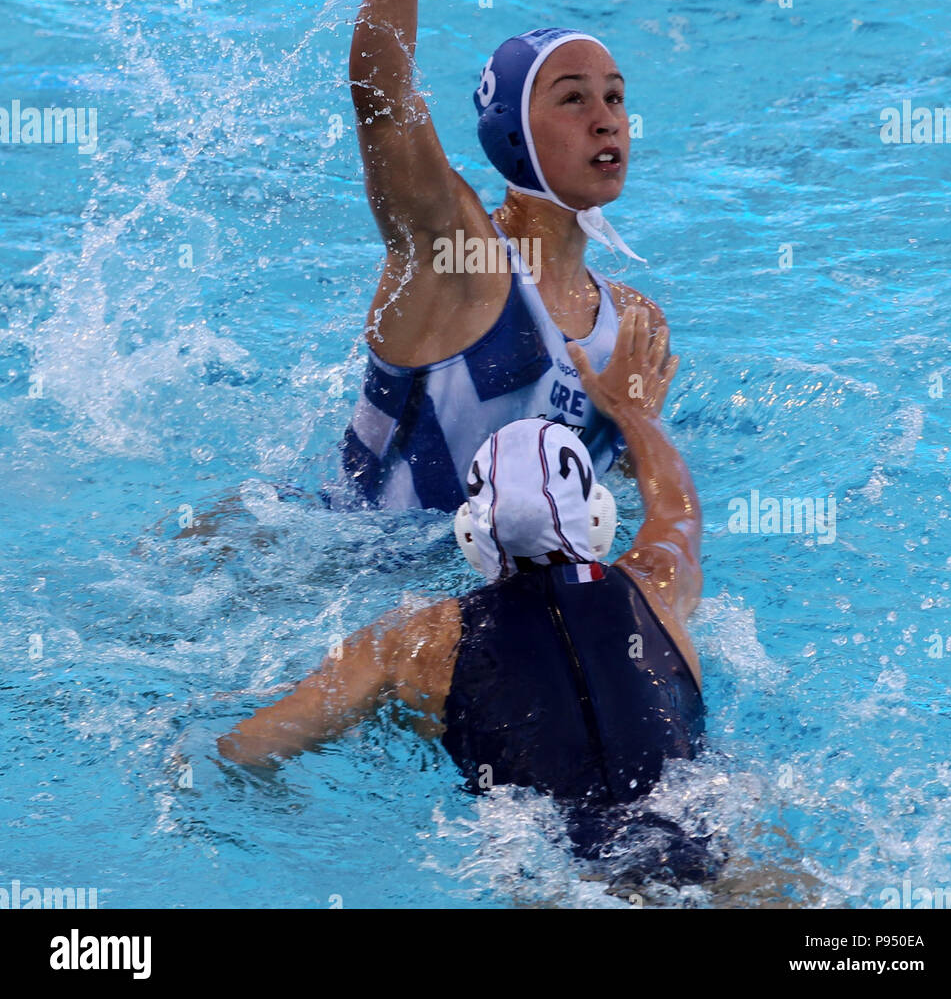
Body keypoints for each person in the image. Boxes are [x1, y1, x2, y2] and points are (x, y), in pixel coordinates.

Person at [219, 310, 713, 884]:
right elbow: (677, 507)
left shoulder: (413, 642)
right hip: (702, 832)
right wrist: (632, 412)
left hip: (564, 882)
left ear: (470, 535)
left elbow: (247, 749)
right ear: (597, 515)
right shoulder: (655, 586)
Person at [338, 0, 667, 512]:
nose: (607, 121)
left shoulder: (634, 324)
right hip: (334, 574)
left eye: (615, 98)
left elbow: (629, 511)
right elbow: (379, 96)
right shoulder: (457, 258)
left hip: (495, 603)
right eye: (574, 99)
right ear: (513, 131)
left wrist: (635, 425)